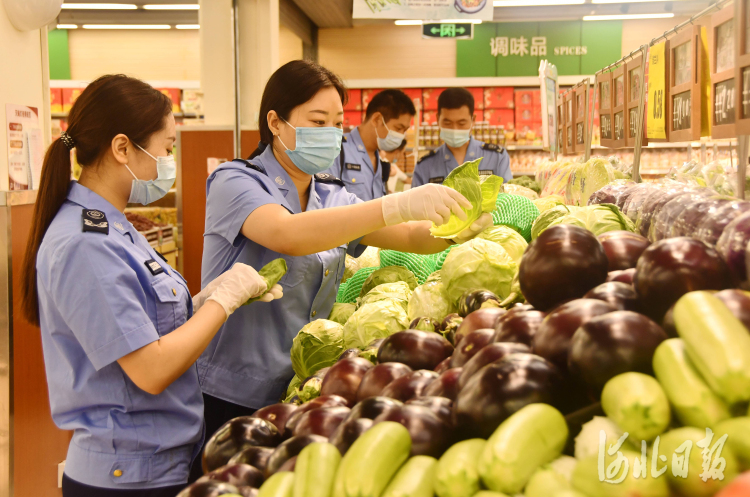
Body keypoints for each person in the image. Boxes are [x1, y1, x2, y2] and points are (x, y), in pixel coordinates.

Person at [198, 60, 491, 449]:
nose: (332, 134)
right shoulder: (235, 181)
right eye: (318, 122)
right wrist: (397, 203)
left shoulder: (331, 194)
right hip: (232, 394)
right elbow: (287, 234)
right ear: (275, 122)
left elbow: (408, 235)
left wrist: (456, 229)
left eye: (337, 123)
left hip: (302, 390)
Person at [21, 75, 282, 497]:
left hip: (160, 460)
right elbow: (150, 370)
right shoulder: (86, 243)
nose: (168, 160)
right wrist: (223, 301)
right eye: (167, 147)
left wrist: (202, 300)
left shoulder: (114, 224)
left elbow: (145, 323)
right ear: (123, 148)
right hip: (129, 475)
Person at [326, 89, 416, 201]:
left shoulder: (379, 158)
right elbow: (327, 202)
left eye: (405, 130)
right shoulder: (337, 150)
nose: (401, 135)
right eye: (398, 128)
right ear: (377, 119)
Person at [412, 87, 512, 187]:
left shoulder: (497, 157)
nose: (455, 129)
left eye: (461, 123)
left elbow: (509, 198)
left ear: (473, 120)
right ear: (438, 119)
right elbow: (415, 202)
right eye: (448, 123)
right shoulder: (424, 166)